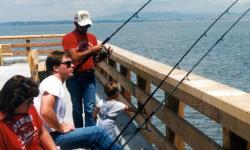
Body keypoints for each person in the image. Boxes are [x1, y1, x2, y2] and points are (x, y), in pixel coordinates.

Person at [34, 51, 122, 149]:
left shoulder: (53, 82)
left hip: (49, 133)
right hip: (50, 137)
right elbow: (45, 111)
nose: (72, 65)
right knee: (99, 132)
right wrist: (60, 127)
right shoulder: (53, 82)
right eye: (68, 64)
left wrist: (61, 124)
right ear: (56, 68)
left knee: (93, 141)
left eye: (72, 63)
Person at [62, 10, 111, 128]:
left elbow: (94, 60)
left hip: (89, 76)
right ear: (75, 23)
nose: (85, 28)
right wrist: (93, 50)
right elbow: (74, 57)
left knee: (90, 108)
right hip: (74, 78)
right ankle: (80, 134)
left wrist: (103, 56)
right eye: (82, 25)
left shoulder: (92, 38)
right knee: (77, 108)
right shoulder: (68, 38)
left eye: (87, 25)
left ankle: (91, 135)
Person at [0, 75, 56, 150]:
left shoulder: (29, 108)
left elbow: (42, 132)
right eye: (29, 101)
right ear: (14, 103)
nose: (32, 103)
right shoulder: (2, 124)